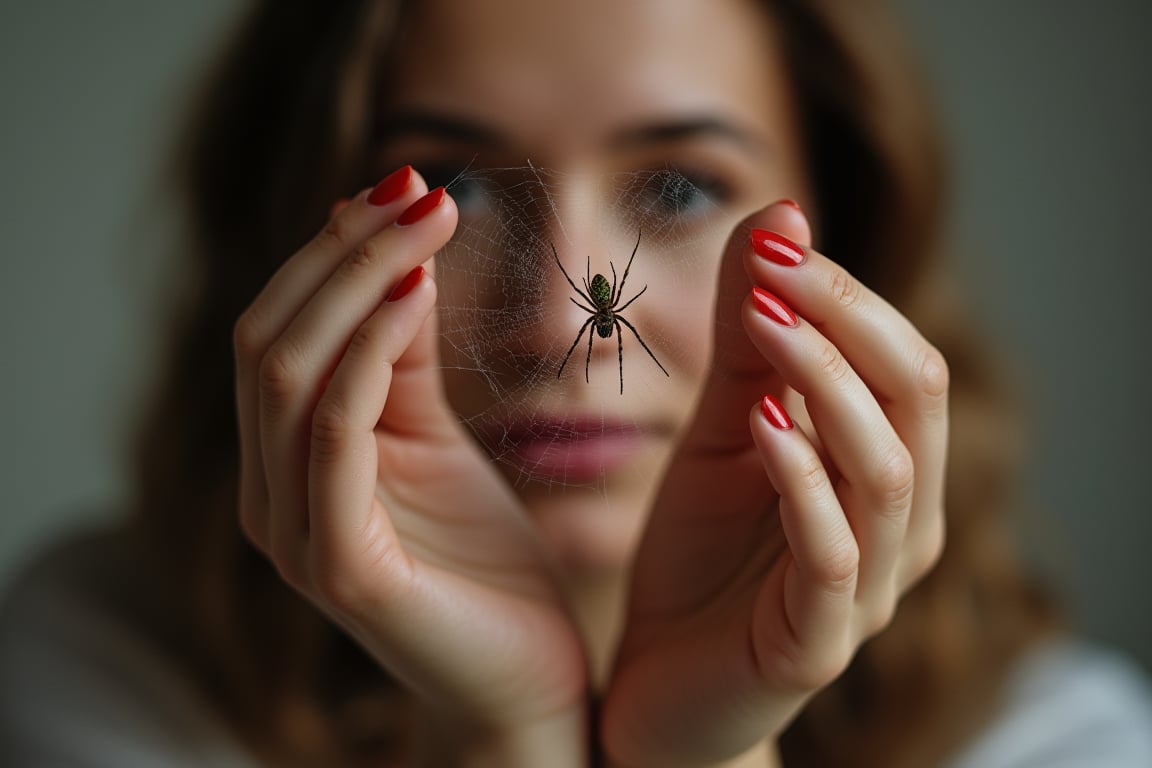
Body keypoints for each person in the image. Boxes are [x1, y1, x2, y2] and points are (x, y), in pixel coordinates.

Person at [2, 0, 1151, 766]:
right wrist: (510, 733)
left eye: (683, 189)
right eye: (458, 185)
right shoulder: (99, 664)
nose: (565, 328)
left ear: (838, 230)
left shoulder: (1062, 736)